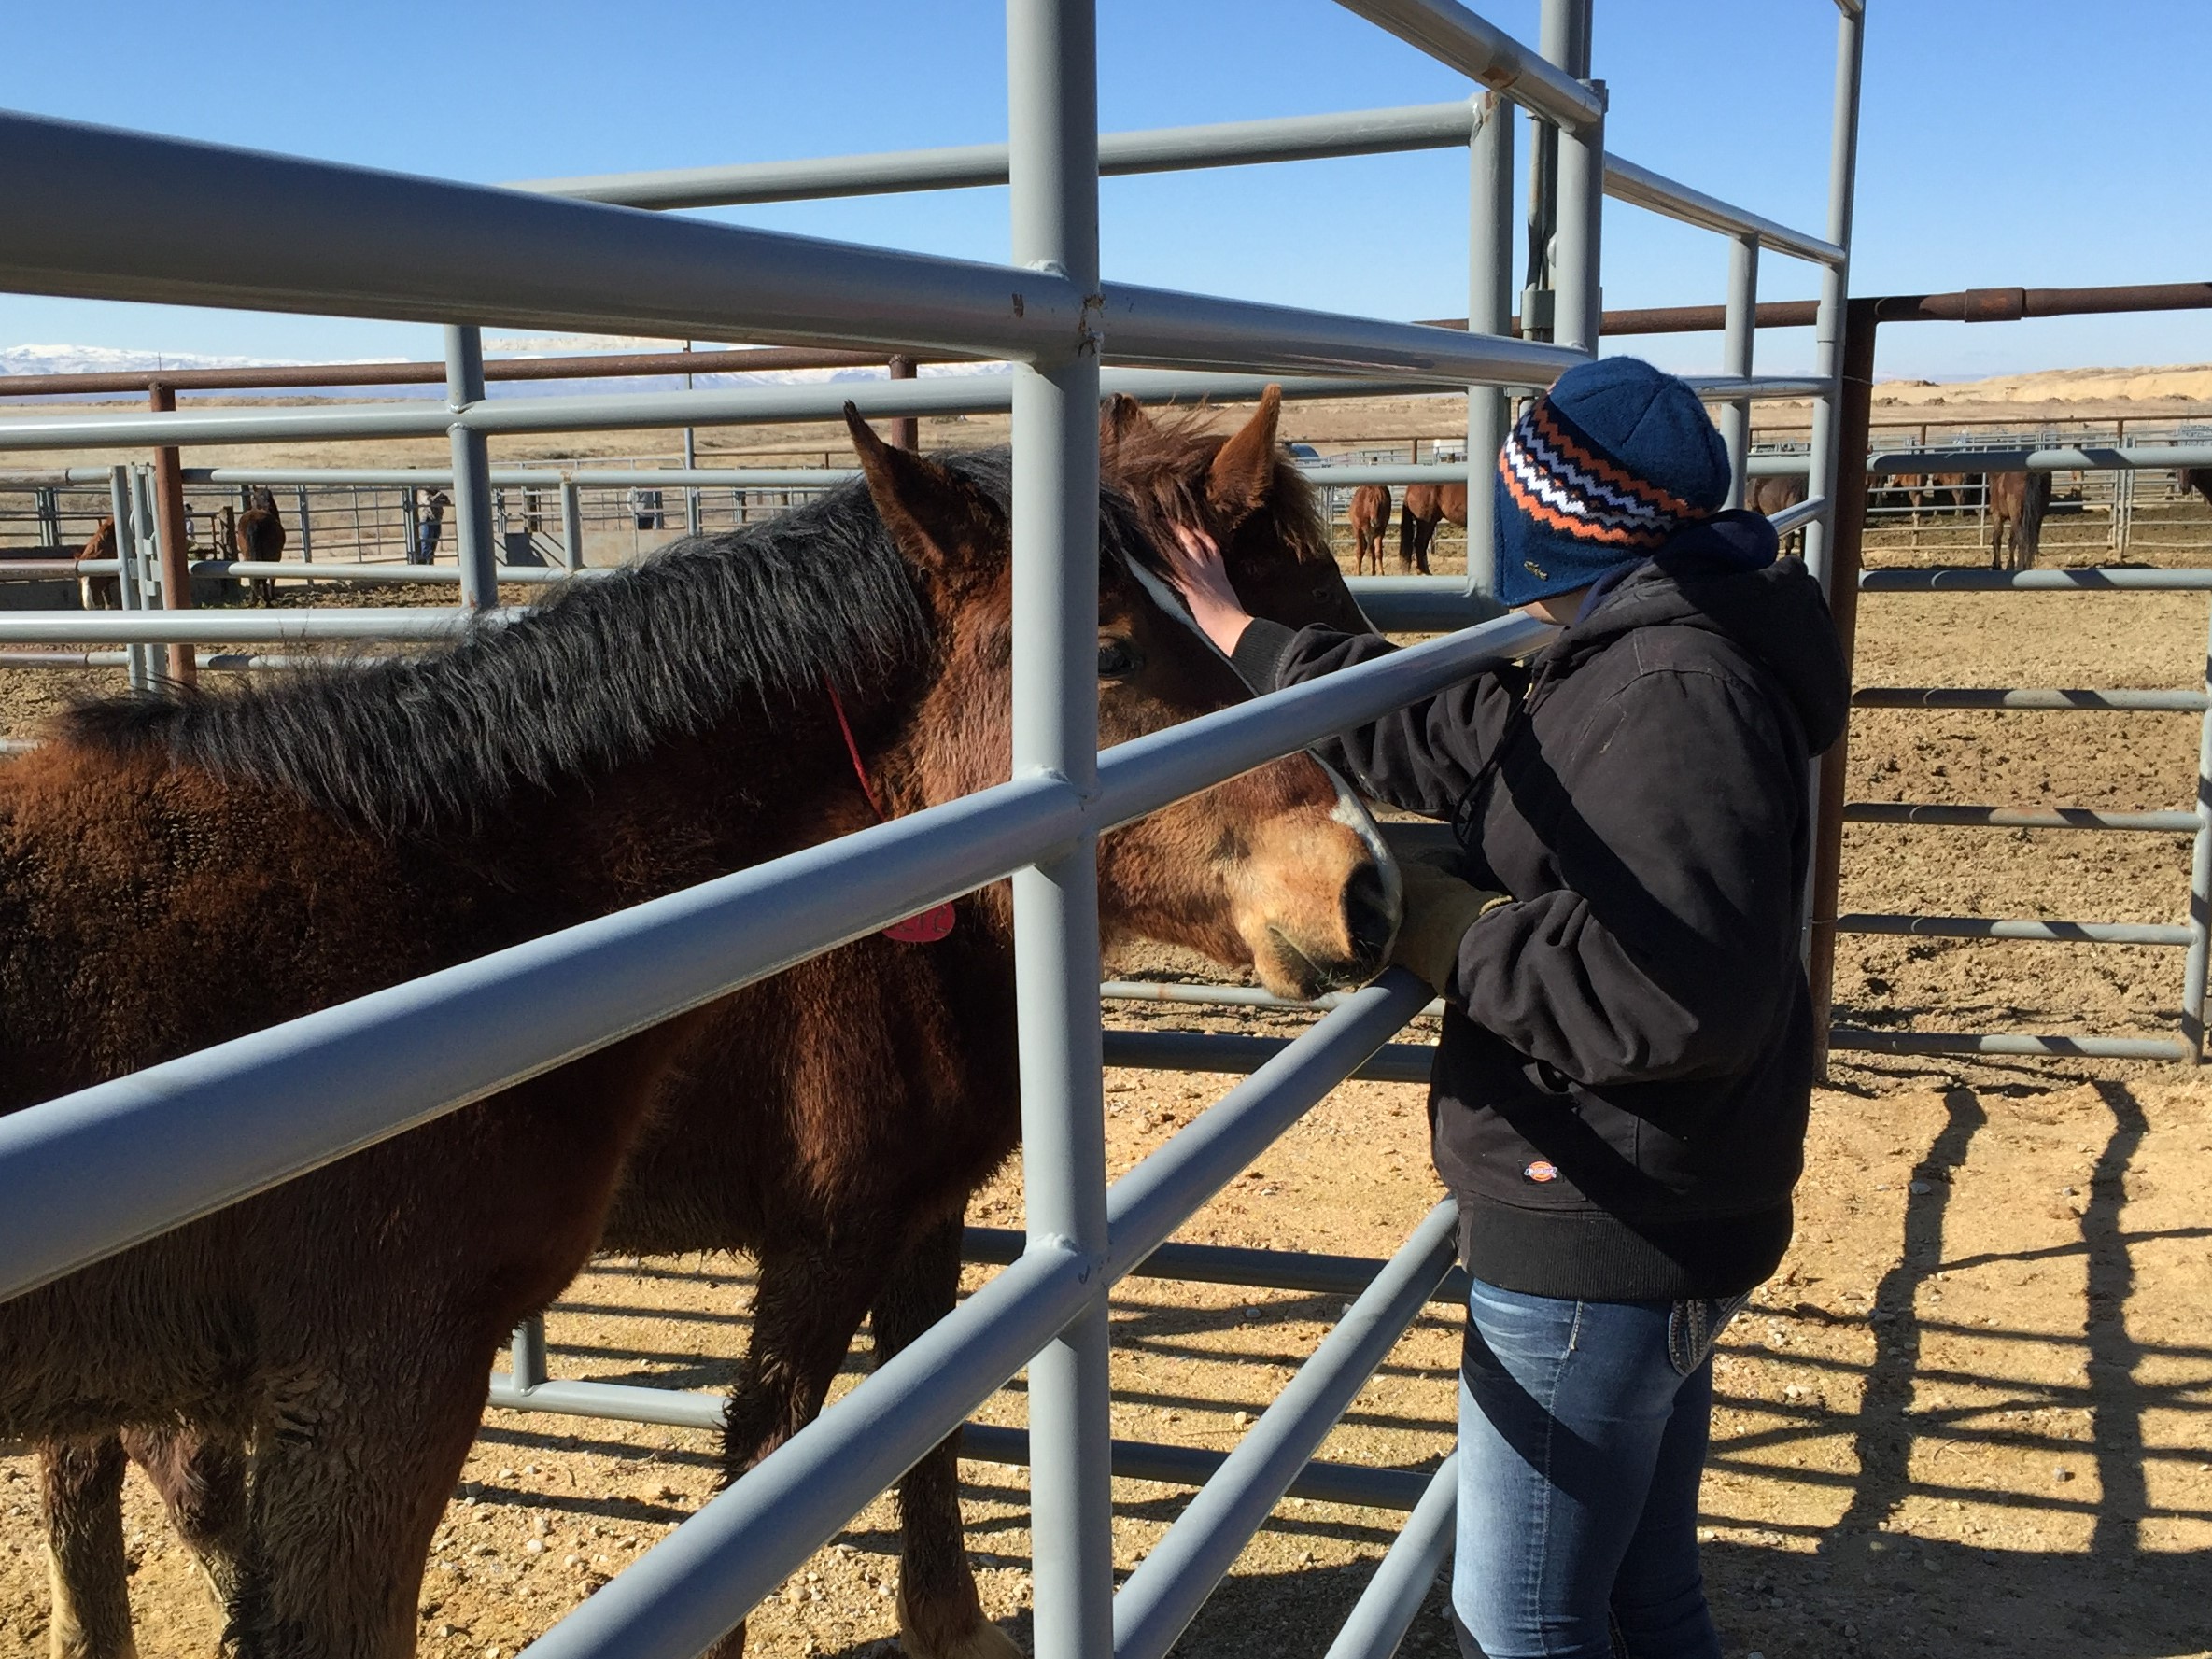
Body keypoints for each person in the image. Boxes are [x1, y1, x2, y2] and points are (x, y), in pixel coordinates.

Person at [1163, 357, 1848, 1659]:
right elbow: (1474, 741)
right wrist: (1249, 642)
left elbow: (1662, 993)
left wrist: (1453, 930)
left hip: (1604, 1208)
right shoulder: (1637, 644)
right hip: (1663, 1199)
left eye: (1509, 484)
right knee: (1644, 1597)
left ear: (1563, 516)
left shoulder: (1672, 694)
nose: (1486, 506)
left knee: (1518, 1620)